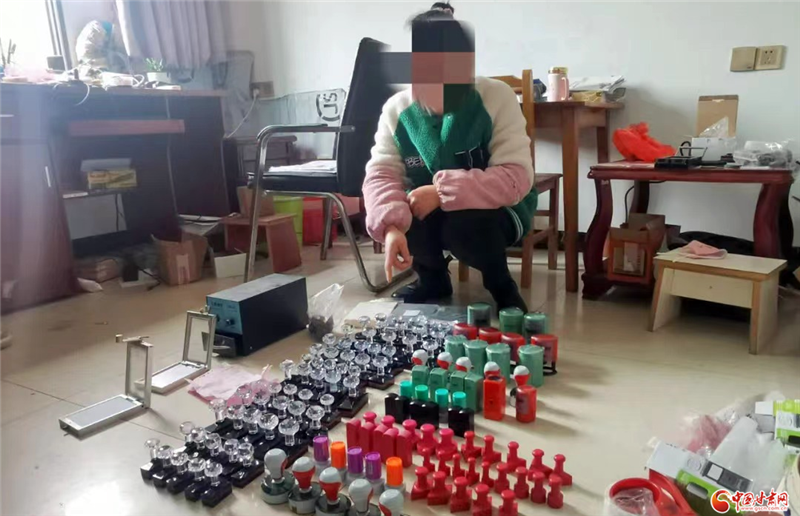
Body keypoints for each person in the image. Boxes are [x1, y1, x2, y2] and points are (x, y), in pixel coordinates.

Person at [362, 4, 536, 312]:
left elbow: (515, 177)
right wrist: (390, 227)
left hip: (496, 212)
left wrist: (441, 193)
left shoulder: (496, 96)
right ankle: (432, 280)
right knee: (405, 209)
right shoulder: (396, 109)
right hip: (427, 208)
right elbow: (381, 175)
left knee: (465, 223)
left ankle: (501, 286)